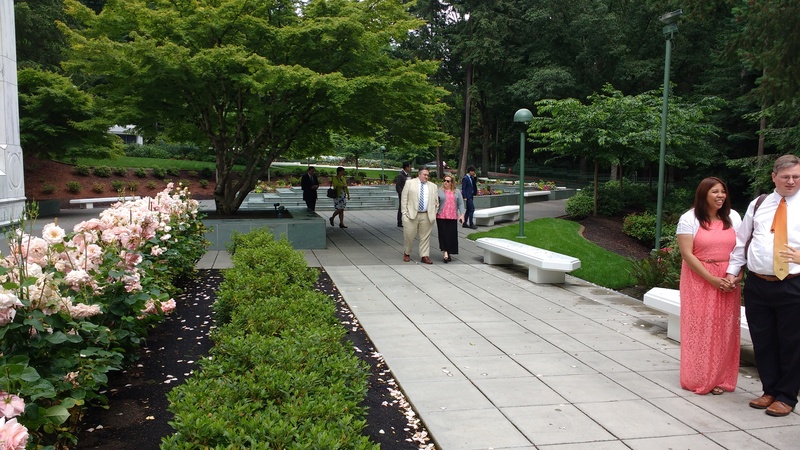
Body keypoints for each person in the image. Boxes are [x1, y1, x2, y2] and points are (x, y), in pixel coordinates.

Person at [726, 154, 800, 417]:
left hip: (793, 284)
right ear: (774, 177)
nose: (791, 181)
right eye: (786, 177)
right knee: (763, 340)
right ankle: (769, 390)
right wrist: (733, 271)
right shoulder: (759, 204)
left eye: (796, 177)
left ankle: (787, 396)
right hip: (758, 284)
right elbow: (741, 240)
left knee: (791, 342)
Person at [676, 177, 742, 396]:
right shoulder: (689, 218)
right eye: (715, 192)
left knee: (725, 328)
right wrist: (711, 279)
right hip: (699, 278)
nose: (720, 196)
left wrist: (737, 274)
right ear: (703, 194)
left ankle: (721, 377)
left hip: (728, 279)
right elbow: (687, 254)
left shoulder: (733, 217)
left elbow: (740, 250)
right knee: (700, 326)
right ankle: (699, 376)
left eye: (723, 191)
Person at [400, 167, 439, 264]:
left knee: (425, 237)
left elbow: (436, 201)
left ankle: (424, 255)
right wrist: (404, 213)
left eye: (427, 175)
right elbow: (404, 197)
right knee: (409, 235)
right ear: (419, 174)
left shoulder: (433, 186)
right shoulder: (410, 183)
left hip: (426, 215)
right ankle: (407, 252)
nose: (426, 177)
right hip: (411, 215)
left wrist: (434, 212)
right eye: (425, 175)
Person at [436, 174, 465, 263]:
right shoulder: (439, 191)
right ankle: (445, 252)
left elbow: (460, 203)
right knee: (443, 235)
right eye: (444, 180)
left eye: (448, 181)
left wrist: (462, 214)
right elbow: (435, 203)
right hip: (441, 216)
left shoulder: (456, 192)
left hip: (452, 216)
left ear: (452, 182)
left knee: (451, 235)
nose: (445, 182)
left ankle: (448, 251)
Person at [395, 162, 411, 227]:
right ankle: (399, 221)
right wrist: (401, 193)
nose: (410, 168)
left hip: (408, 193)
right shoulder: (401, 175)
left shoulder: (407, 175)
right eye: (409, 167)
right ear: (406, 167)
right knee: (401, 207)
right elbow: (398, 186)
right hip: (402, 194)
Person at [461, 165, 477, 229]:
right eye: (473, 172)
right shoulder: (465, 178)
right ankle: (471, 223)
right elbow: (463, 188)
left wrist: (475, 177)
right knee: (472, 209)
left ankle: (464, 223)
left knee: (468, 210)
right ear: (470, 171)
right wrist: (464, 196)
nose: (474, 173)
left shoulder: (471, 178)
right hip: (468, 196)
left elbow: (474, 184)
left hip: (471, 195)